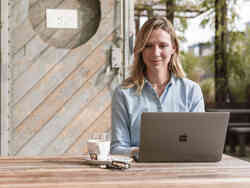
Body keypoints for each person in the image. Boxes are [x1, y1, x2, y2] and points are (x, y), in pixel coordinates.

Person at [110, 16, 205, 159]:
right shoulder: (123, 93)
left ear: (174, 48)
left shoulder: (191, 91)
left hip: (182, 172)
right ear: (140, 50)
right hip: (138, 175)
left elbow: (200, 143)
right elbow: (117, 148)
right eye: (148, 46)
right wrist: (142, 153)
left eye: (162, 45)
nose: (155, 53)